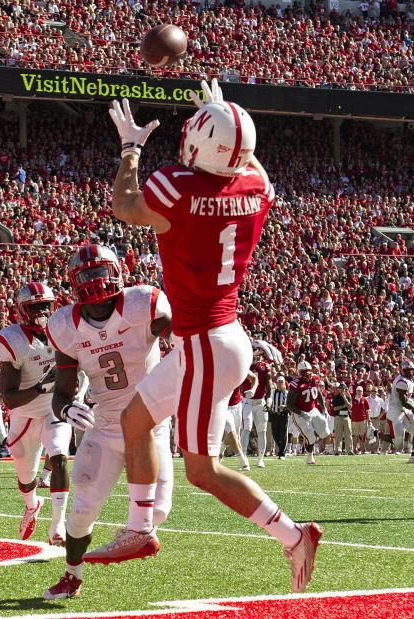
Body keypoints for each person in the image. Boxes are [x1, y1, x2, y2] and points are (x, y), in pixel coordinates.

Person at [83, 80, 322, 594]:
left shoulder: (177, 185)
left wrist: (129, 150)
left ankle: (293, 533)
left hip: (207, 345)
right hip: (218, 336)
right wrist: (224, 118)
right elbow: (250, 166)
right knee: (136, 418)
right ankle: (141, 528)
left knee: (202, 470)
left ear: (200, 145)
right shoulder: (254, 187)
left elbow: (125, 206)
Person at [43, 245, 174, 600]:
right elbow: (62, 393)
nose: (95, 282)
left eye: (100, 273)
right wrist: (67, 410)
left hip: (149, 423)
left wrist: (181, 338)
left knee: (159, 510)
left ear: (118, 271)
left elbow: (177, 335)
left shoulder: (142, 302)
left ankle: (132, 534)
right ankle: (72, 576)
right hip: (105, 427)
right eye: (87, 276)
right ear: (74, 283)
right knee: (82, 511)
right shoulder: (64, 325)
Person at [0, 283, 71, 547]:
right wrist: (40, 387)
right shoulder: (12, 340)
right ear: (23, 311)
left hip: (54, 408)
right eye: (35, 307)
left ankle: (58, 524)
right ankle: (32, 504)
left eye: (46, 306)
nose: (42, 312)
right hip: (25, 416)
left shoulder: (63, 330)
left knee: (59, 456)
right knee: (27, 480)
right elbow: (10, 398)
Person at [286, 361, 331, 465]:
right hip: (299, 412)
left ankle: (312, 440)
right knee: (310, 436)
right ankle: (309, 457)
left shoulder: (315, 379)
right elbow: (289, 404)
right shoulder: (295, 384)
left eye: (308, 371)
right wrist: (301, 414)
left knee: (324, 428)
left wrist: (324, 408)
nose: (307, 373)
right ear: (299, 372)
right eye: (304, 372)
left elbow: (318, 392)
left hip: (312, 409)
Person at [241, 345, 274, 468]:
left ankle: (261, 458)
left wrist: (269, 401)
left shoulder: (265, 367)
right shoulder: (243, 366)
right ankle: (243, 457)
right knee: (246, 429)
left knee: (262, 430)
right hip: (247, 402)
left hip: (260, 401)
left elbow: (269, 386)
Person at [382, 359, 414, 463]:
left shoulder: (409, 381)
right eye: (409, 370)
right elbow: (404, 401)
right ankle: (375, 433)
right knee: (398, 443)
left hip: (404, 411)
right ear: (404, 371)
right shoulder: (402, 381)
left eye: (412, 369)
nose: (411, 372)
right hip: (395, 412)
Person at [269, 376, 289, 460]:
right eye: (279, 382)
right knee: (275, 434)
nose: (280, 384)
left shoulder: (287, 393)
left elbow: (291, 404)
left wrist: (284, 406)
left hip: (283, 414)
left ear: (284, 383)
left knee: (283, 434)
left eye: (282, 382)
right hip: (274, 414)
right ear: (276, 383)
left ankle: (282, 453)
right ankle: (280, 449)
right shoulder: (273, 392)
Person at [331, 382, 353, 455]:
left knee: (348, 433)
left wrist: (344, 398)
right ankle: (338, 450)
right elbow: (335, 408)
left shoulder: (348, 397)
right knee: (338, 434)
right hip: (338, 416)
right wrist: (344, 406)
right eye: (341, 388)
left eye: (343, 389)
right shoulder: (336, 397)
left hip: (346, 416)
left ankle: (349, 450)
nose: (342, 390)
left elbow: (350, 406)